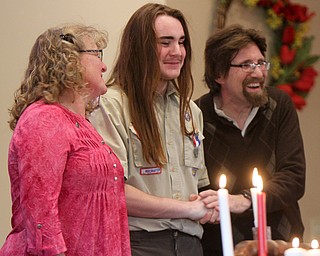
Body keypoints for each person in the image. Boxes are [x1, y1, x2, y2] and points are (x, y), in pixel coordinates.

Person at [89, 3, 218, 256]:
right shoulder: (111, 105)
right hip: (139, 244)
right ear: (140, 48)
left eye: (182, 42)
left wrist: (210, 202)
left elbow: (199, 186)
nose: (177, 52)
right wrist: (188, 209)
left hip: (191, 245)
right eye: (165, 42)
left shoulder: (190, 111)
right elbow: (111, 192)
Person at [0, 24, 131, 256]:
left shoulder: (81, 124)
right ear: (68, 60)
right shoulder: (44, 119)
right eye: (96, 54)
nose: (104, 65)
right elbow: (41, 216)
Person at [196, 24, 306, 256]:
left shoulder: (279, 105)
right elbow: (197, 185)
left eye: (260, 63)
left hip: (281, 242)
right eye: (246, 65)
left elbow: (294, 176)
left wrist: (246, 200)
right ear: (219, 74)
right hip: (220, 245)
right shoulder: (197, 115)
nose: (258, 73)